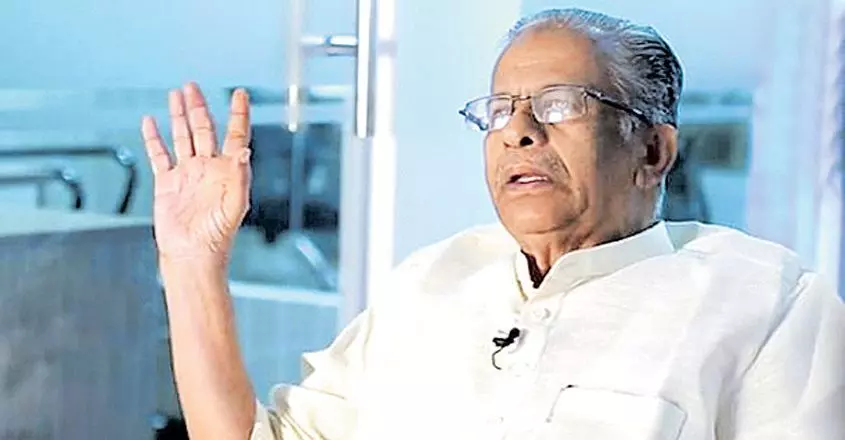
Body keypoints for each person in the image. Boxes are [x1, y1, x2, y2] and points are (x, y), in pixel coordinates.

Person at [141, 8, 845, 440]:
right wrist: (193, 262)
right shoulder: (429, 283)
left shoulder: (766, 302)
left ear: (653, 151)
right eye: (499, 110)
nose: (519, 132)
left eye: (561, 104)